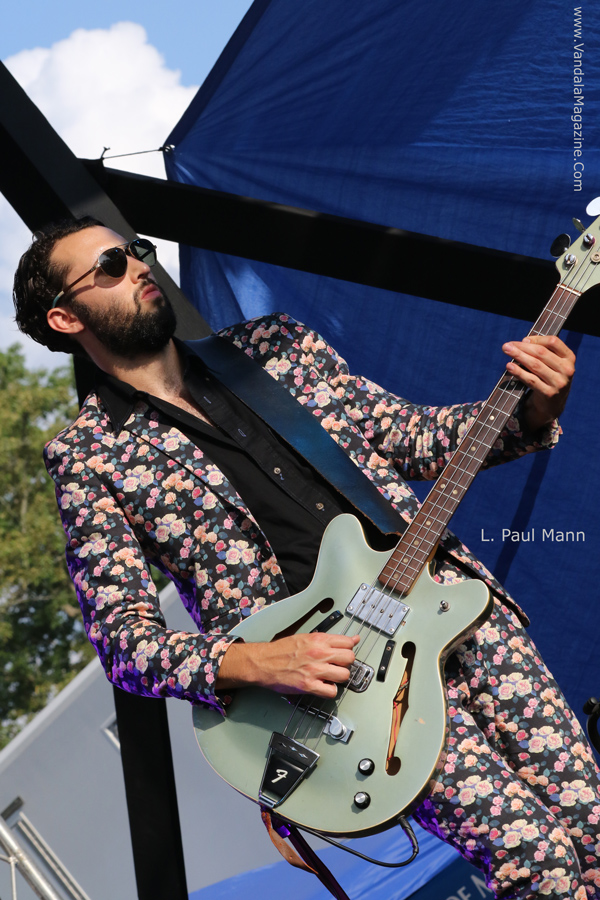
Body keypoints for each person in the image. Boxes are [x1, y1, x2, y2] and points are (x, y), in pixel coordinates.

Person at [13, 217, 600, 900]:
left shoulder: (273, 348)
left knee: (591, 829)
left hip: (456, 615)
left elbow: (412, 438)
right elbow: (123, 641)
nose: (139, 266)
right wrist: (256, 662)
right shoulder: (90, 457)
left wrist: (531, 409)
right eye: (110, 265)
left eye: (137, 250)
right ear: (64, 316)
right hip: (349, 694)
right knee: (541, 863)